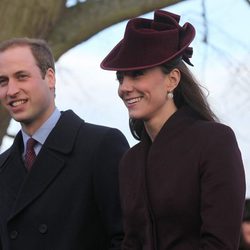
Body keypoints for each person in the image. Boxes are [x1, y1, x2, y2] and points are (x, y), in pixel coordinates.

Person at [100, 9, 246, 250]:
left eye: (137, 74)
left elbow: (220, 243)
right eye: (120, 78)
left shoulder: (214, 142)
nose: (124, 87)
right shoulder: (131, 161)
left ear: (172, 79)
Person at [0, 37, 129, 250]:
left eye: (22, 77)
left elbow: (127, 237)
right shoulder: (3, 167)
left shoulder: (101, 146)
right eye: (3, 81)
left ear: (50, 77)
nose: (11, 90)